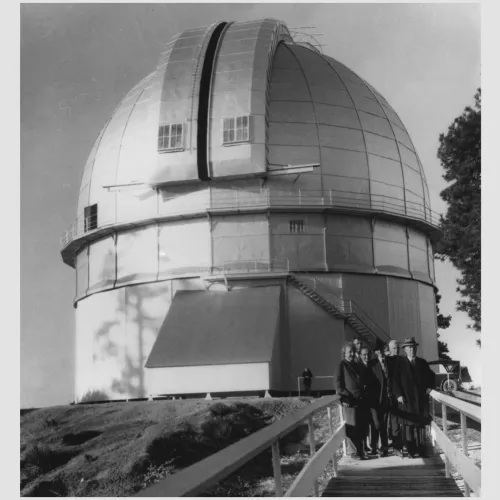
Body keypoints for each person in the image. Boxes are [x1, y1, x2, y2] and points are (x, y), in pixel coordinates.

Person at [392, 337, 435, 458]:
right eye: (409, 347)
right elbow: (395, 381)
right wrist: (398, 394)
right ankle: (411, 451)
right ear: (405, 350)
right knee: (408, 426)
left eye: (414, 347)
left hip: (420, 399)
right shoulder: (400, 363)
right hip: (406, 399)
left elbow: (431, 376)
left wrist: (429, 387)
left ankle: (422, 451)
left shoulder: (422, 363)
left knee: (420, 426)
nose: (412, 350)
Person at [335, 342, 368, 460]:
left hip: (360, 400)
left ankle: (361, 451)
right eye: (350, 352)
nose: (352, 354)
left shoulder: (356, 364)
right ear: (344, 353)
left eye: (353, 352)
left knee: (360, 426)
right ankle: (354, 452)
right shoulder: (342, 365)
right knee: (352, 426)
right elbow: (338, 384)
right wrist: (344, 397)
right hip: (349, 401)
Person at [366, 340, 391, 457]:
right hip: (375, 400)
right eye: (379, 350)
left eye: (383, 350)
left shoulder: (390, 363)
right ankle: (374, 446)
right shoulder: (371, 365)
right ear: (376, 352)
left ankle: (384, 447)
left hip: (386, 399)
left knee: (384, 425)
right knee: (376, 425)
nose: (381, 352)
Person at [386, 339, 403, 456]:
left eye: (397, 348)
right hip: (390, 394)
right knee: (394, 421)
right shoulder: (387, 361)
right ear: (389, 349)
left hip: (402, 394)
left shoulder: (402, 360)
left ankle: (402, 443)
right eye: (393, 348)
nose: (395, 350)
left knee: (401, 420)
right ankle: (396, 447)